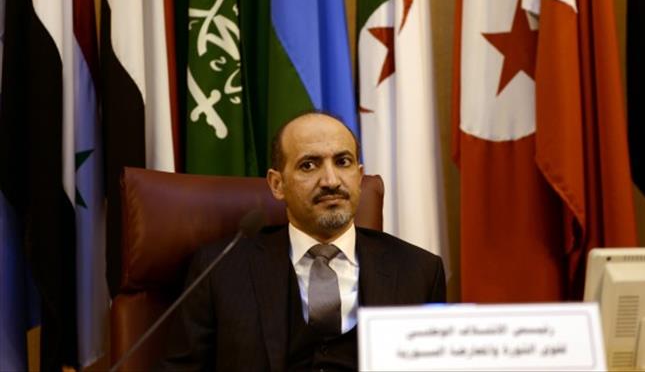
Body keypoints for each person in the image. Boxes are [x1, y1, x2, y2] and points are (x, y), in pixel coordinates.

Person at [158, 112, 446, 371]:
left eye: (343, 162)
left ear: (359, 177)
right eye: (309, 165)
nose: (331, 180)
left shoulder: (418, 271)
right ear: (277, 184)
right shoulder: (221, 269)